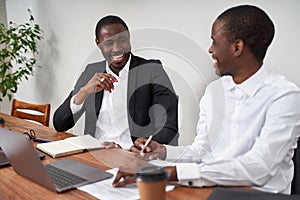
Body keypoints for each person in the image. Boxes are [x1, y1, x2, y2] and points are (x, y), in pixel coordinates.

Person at [112, 5, 300, 194]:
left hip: (260, 195)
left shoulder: (284, 97)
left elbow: (259, 167)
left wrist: (170, 172)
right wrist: (162, 151)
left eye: (215, 42)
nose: (210, 50)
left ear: (237, 47)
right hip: (212, 188)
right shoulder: (214, 91)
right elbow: (201, 151)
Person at [53, 15, 178, 149]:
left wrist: (141, 150)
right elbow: (60, 124)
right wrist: (84, 92)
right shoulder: (91, 71)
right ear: (98, 43)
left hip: (133, 157)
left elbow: (168, 126)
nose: (117, 48)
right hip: (95, 154)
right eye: (108, 43)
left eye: (122, 40)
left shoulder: (151, 70)